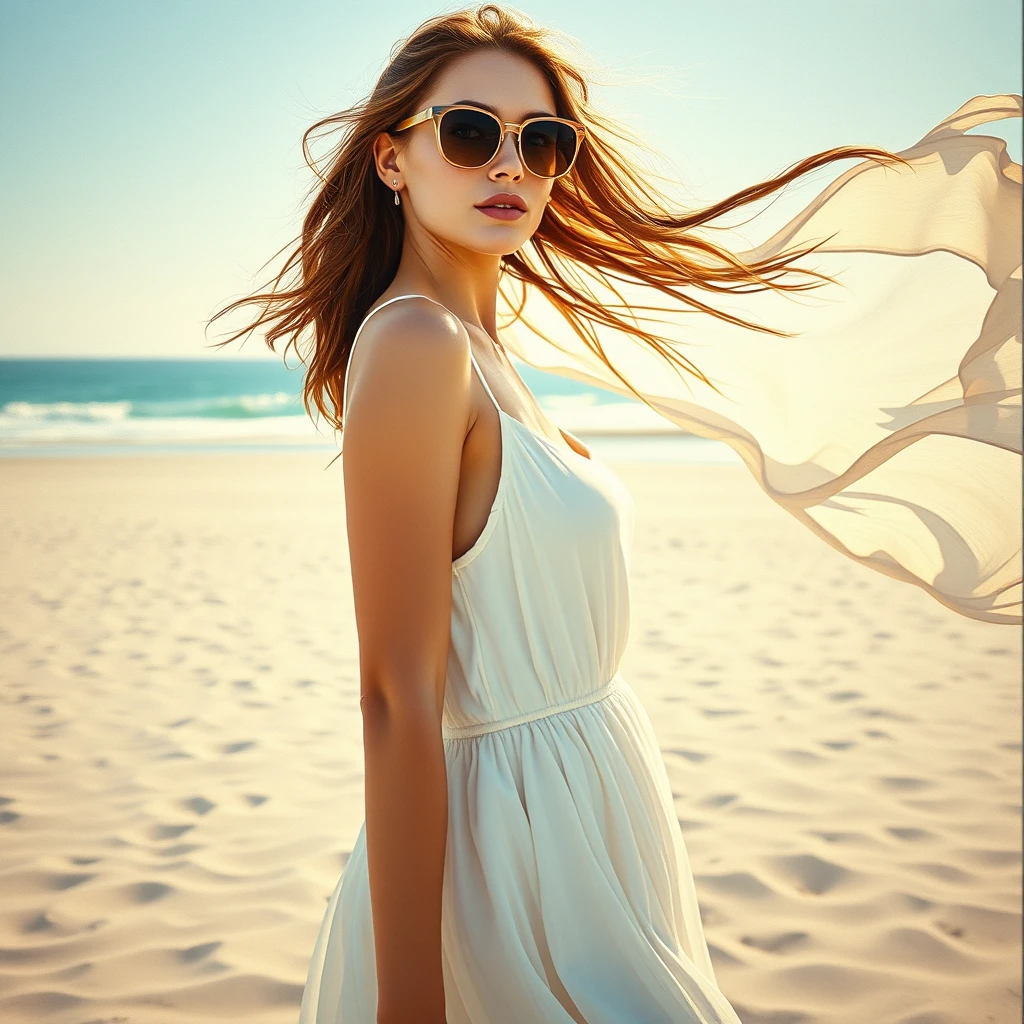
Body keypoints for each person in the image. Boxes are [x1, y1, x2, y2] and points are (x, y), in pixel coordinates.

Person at [208, 6, 1021, 1022]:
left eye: (542, 143)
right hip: (506, 857)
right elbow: (392, 699)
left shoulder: (488, 352)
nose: (509, 164)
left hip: (589, 813)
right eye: (470, 132)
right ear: (392, 160)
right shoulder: (417, 349)